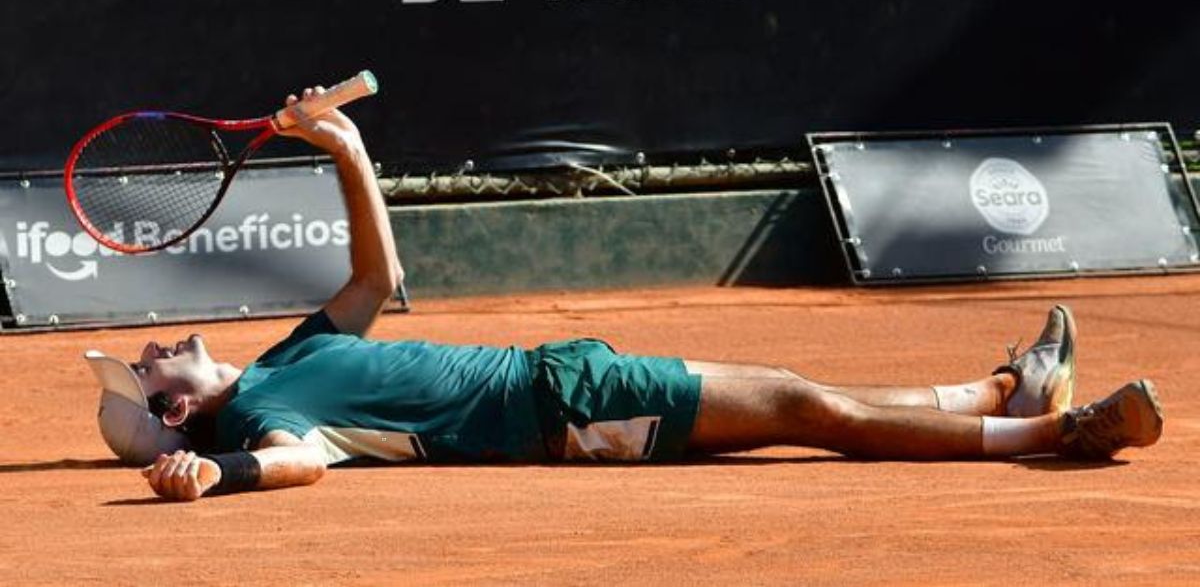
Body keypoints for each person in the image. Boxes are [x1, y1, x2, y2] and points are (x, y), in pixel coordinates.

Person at [85, 88, 1165, 502]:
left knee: (793, 397)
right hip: (563, 404)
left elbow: (376, 277)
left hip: (567, 386)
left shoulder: (286, 359)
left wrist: (349, 147)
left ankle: (991, 390)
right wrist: (217, 471)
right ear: (179, 407)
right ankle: (1052, 430)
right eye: (148, 368)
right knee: (801, 406)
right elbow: (300, 461)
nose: (159, 340)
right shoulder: (272, 409)